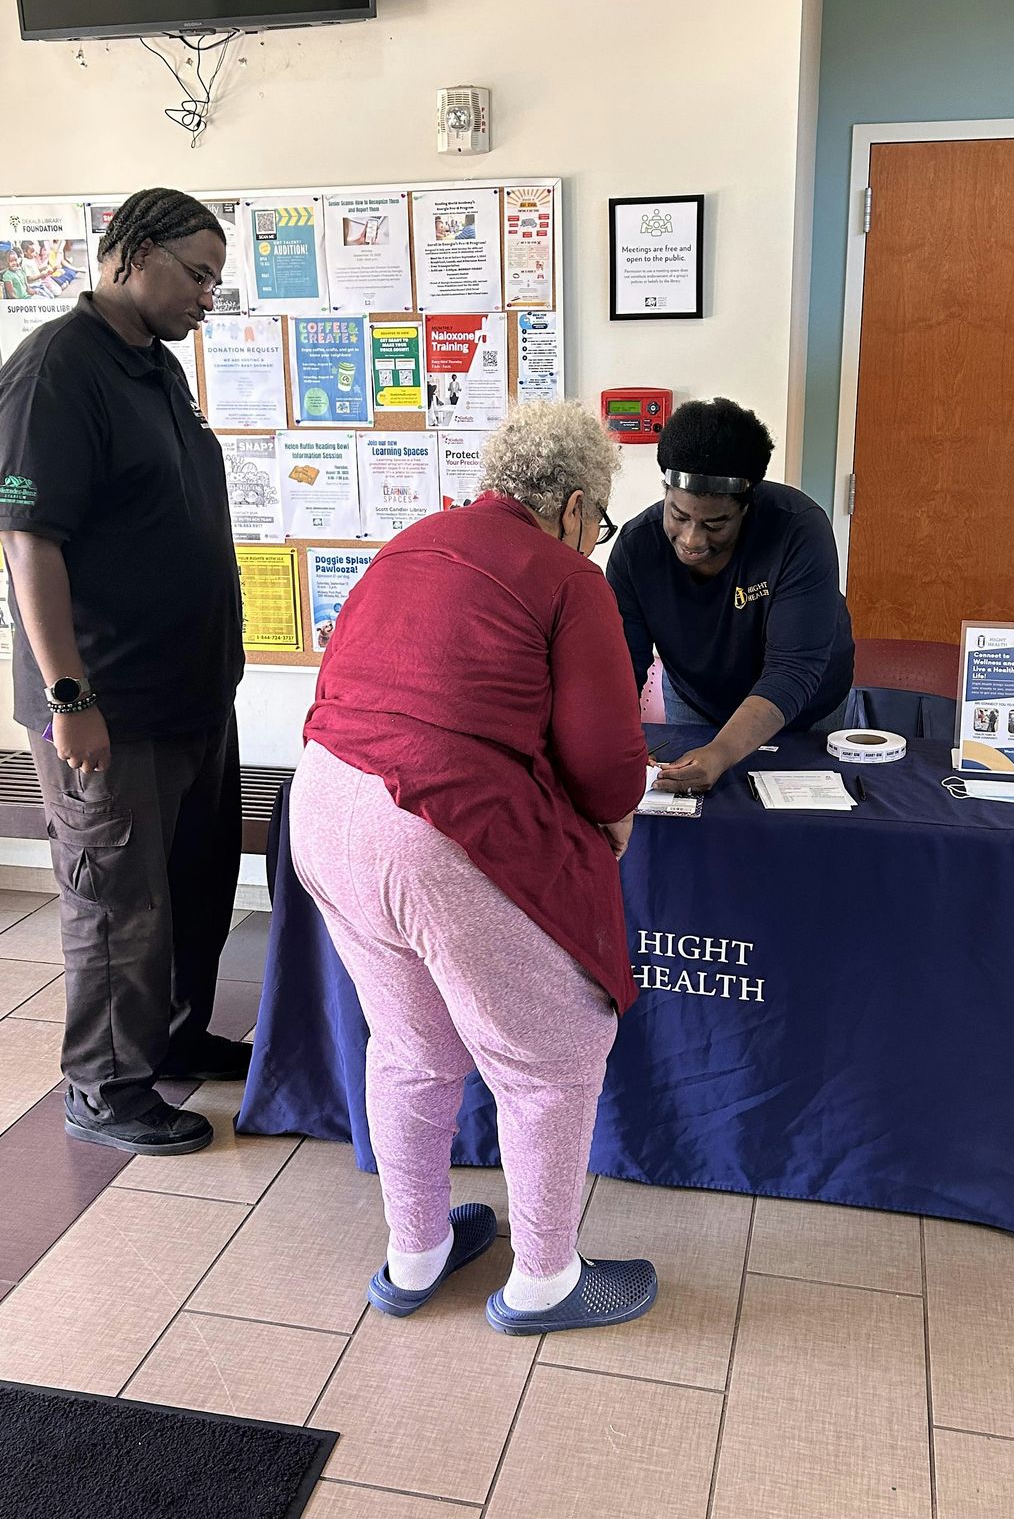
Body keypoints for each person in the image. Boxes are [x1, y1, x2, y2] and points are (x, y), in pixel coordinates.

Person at [291, 400, 657, 1336]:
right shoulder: (568, 576)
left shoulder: (414, 539)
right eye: (600, 521)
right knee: (552, 1057)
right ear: (575, 505)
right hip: (433, 826)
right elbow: (608, 757)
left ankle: (414, 1255)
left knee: (412, 1045)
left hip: (324, 803)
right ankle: (543, 1281)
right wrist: (612, 823)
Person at [0, 187, 247, 1158]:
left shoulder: (154, 370)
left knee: (190, 884)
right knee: (116, 900)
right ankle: (105, 1085)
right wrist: (70, 698)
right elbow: (29, 541)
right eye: (196, 273)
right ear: (131, 254)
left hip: (188, 695)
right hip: (110, 705)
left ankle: (173, 1035)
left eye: (216, 280)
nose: (207, 297)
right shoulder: (56, 371)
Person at [606, 397, 855, 793]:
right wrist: (616, 748)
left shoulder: (798, 531)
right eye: (679, 515)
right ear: (665, 491)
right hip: (697, 700)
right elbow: (621, 668)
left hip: (805, 707)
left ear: (747, 506)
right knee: (700, 810)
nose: (691, 540)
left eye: (715, 523)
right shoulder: (637, 548)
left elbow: (792, 671)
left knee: (800, 822)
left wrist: (721, 752)